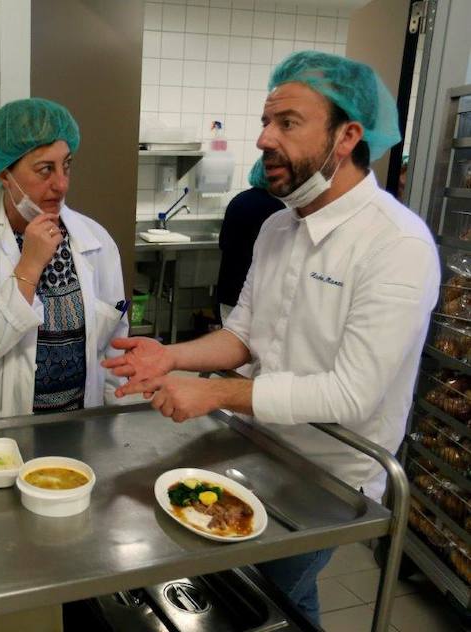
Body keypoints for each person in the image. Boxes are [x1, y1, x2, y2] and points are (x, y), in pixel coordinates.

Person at [104, 51, 440, 625]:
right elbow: (243, 335)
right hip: (263, 451)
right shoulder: (279, 226)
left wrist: (214, 393)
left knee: (273, 591)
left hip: (336, 478)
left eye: (286, 123)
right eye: (266, 122)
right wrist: (171, 357)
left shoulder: (396, 244)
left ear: (347, 135)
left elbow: (351, 394)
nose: (263, 139)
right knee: (268, 596)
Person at [0, 98, 128, 421]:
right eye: (45, 169)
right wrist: (29, 265)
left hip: (80, 425)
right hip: (4, 432)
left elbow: (114, 346)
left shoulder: (95, 241)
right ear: (4, 173)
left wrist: (114, 424)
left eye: (66, 166)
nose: (62, 184)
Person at [216, 187, 284, 324]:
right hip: (258, 293)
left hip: (230, 286)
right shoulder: (278, 209)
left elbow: (223, 242)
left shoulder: (239, 200)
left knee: (230, 331)